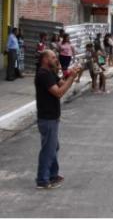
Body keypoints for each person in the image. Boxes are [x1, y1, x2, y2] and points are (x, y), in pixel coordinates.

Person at [35, 50, 81, 189]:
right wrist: (72, 78)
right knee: (48, 149)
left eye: (56, 57)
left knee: (54, 146)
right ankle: (43, 180)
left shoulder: (50, 73)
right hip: (47, 117)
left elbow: (62, 84)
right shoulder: (43, 75)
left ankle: (53, 175)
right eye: (53, 57)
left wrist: (71, 75)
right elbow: (59, 93)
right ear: (44, 59)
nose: (56, 59)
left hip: (52, 117)